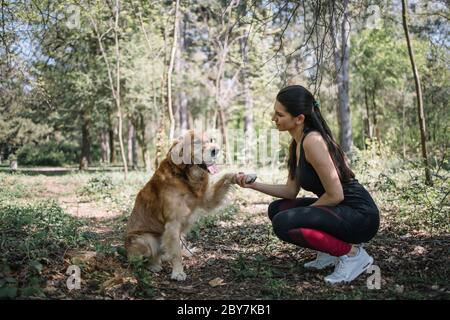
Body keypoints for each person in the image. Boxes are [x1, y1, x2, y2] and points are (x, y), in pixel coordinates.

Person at [235, 85, 380, 284]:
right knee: (277, 209)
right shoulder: (297, 143)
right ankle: (329, 253)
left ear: (299, 118)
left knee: (284, 222)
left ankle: (353, 254)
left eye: (279, 114)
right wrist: (253, 185)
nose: (273, 118)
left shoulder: (313, 141)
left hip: (360, 216)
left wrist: (306, 216)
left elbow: (336, 195)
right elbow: (290, 191)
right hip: (338, 210)